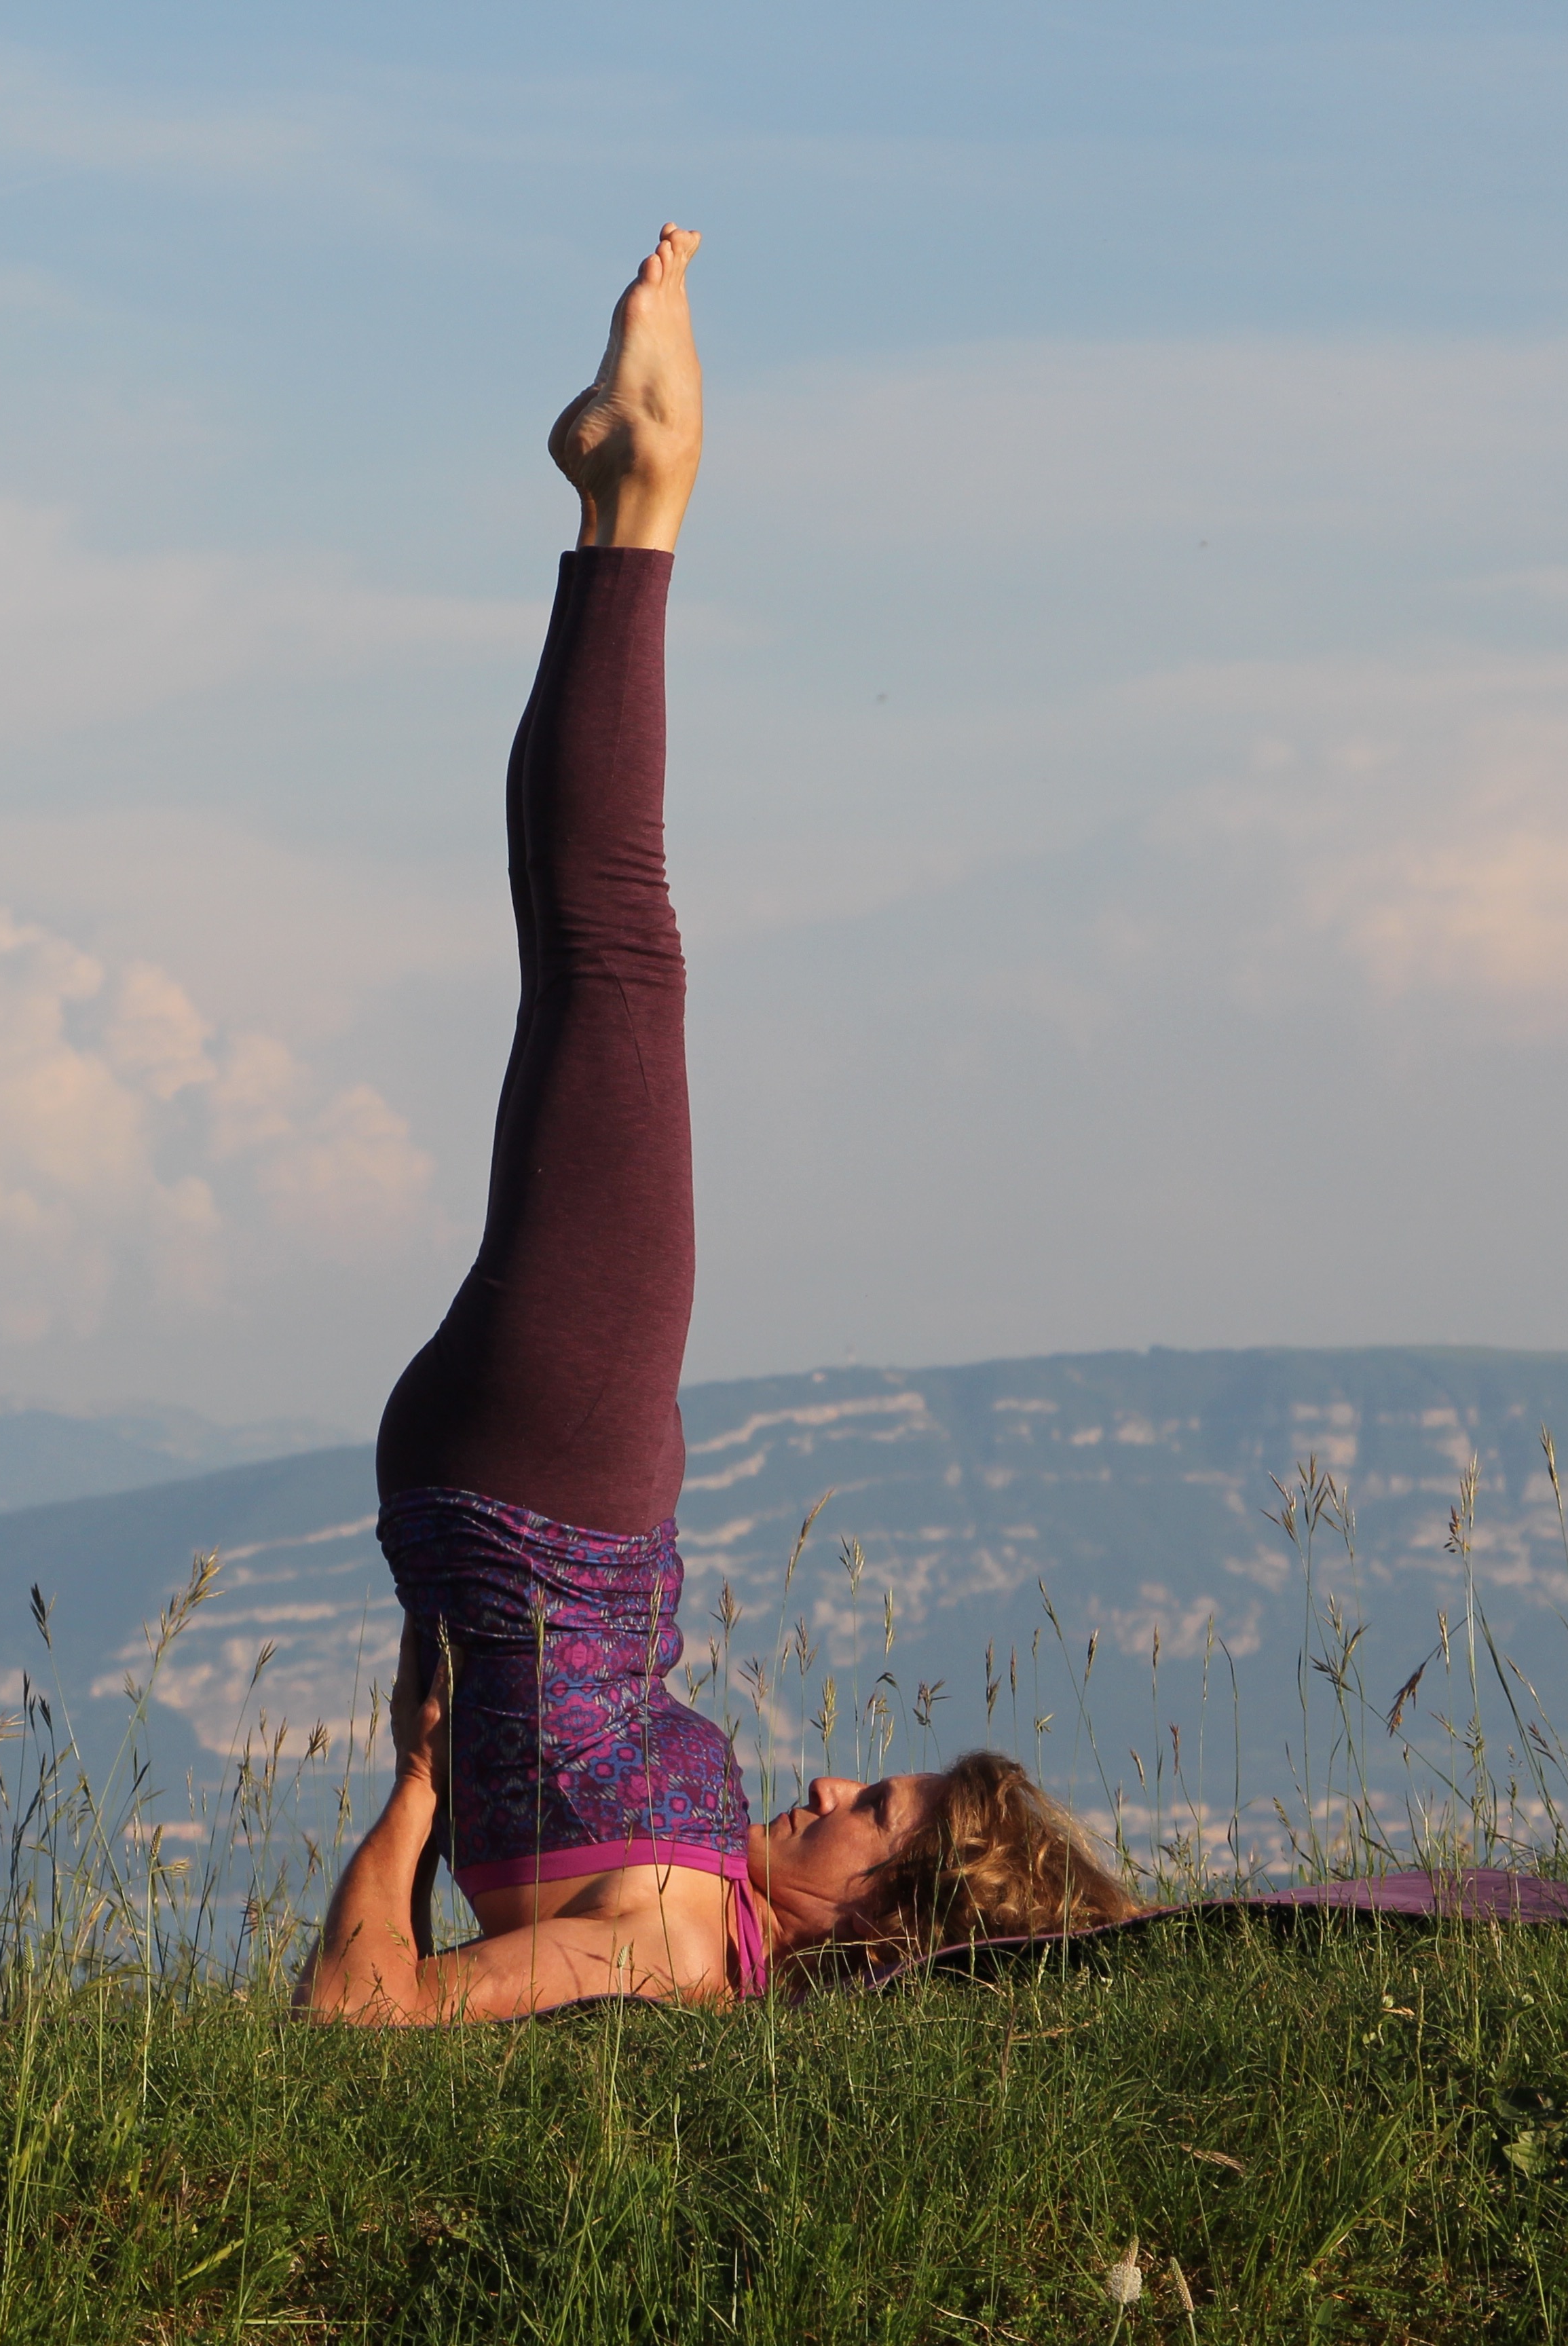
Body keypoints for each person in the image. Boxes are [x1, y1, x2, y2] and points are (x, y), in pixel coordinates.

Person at [297, 227, 1134, 2025]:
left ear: (886, 1923)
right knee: (584, 963)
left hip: (554, 1493)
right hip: (502, 1493)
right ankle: (619, 507)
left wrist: (416, 1798)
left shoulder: (682, 1949)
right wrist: (429, 1790)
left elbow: (364, 2019)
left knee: (617, 959)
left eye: (874, 1815)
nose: (832, 1785)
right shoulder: (704, 1918)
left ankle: (645, 502)